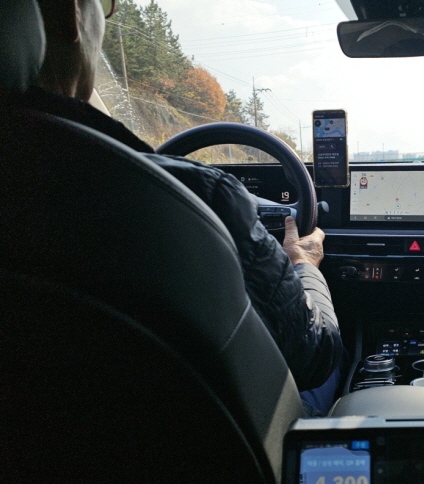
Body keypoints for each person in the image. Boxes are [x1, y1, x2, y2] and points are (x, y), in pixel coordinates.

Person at [27, 0, 342, 416]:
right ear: (70, 14)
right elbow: (313, 353)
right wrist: (303, 264)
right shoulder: (199, 192)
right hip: (222, 438)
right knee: (339, 356)